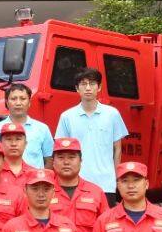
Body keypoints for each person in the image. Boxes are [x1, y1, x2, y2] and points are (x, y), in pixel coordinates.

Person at [55, 67, 129, 205]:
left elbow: (117, 149)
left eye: (92, 83)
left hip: (106, 183)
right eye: (83, 84)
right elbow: (60, 152)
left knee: (105, 218)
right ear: (77, 88)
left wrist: (116, 178)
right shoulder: (67, 117)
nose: (88, 88)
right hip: (76, 182)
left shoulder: (112, 114)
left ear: (99, 87)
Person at [0, 84, 54, 169]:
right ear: (7, 102)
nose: (18, 103)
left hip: (34, 177)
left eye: (23, 99)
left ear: (29, 102)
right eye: (13, 99)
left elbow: (49, 160)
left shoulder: (42, 129)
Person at [0, 122, 37, 189]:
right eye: (8, 139)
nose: (13, 144)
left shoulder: (34, 173)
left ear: (25, 144)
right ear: (0, 144)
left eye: (18, 139)